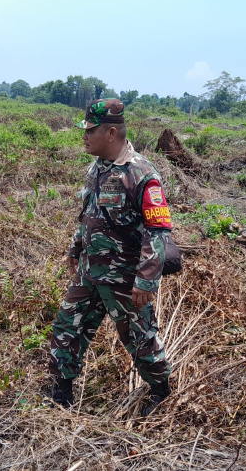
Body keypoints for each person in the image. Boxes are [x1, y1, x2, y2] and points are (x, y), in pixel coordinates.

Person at [48, 98, 173, 416]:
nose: (84, 136)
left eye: (90, 131)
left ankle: (160, 392)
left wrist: (146, 279)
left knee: (140, 339)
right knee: (68, 326)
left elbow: (157, 231)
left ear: (111, 133)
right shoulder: (97, 168)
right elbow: (89, 213)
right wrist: (76, 247)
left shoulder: (142, 174)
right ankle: (61, 392)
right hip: (90, 272)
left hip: (125, 279)